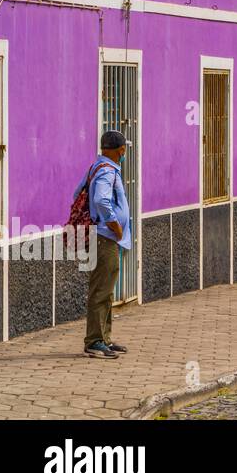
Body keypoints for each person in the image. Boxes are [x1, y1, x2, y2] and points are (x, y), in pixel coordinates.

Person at [83, 130, 132, 359]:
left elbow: (78, 193)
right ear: (119, 150)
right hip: (105, 237)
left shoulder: (97, 167)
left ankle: (104, 338)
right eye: (123, 149)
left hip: (105, 237)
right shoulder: (106, 171)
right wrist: (114, 224)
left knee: (106, 291)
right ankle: (94, 341)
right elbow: (100, 200)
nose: (124, 152)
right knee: (101, 291)